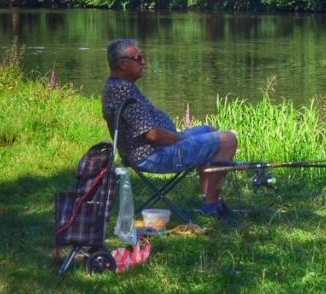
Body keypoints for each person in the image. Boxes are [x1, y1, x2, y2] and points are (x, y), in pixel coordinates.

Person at [101, 38, 238, 218]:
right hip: (153, 155)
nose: (144, 62)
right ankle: (211, 206)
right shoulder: (123, 91)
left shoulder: (118, 86)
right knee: (228, 140)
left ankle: (209, 200)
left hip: (150, 150)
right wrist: (186, 140)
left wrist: (182, 138)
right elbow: (153, 134)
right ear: (123, 64)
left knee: (209, 130)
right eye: (139, 58)